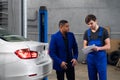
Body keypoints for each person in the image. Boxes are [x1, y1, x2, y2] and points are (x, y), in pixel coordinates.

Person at [83, 14, 111, 80]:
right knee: (92, 77)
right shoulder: (87, 32)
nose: (90, 26)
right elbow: (84, 46)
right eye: (88, 24)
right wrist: (87, 48)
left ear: (96, 21)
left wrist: (99, 48)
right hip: (90, 59)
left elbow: (108, 46)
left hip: (101, 59)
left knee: (102, 77)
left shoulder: (104, 31)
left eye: (91, 23)